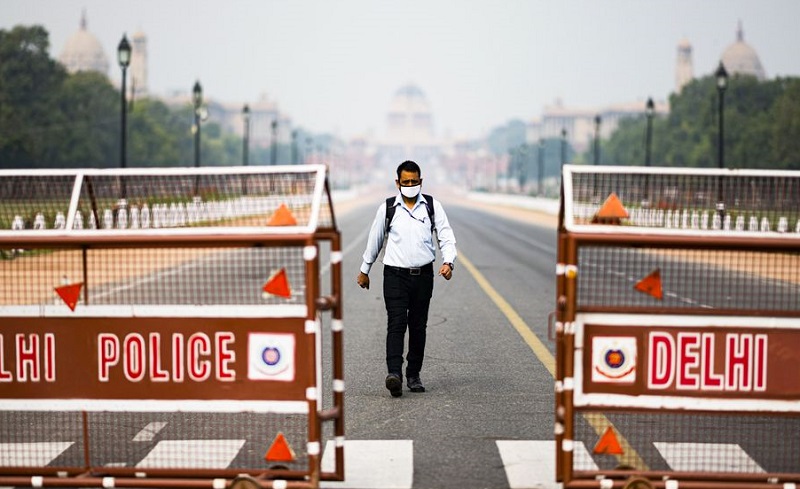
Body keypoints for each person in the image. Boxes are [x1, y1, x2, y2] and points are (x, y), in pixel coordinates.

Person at [357, 160, 457, 398]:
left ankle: (413, 375)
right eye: (405, 182)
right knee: (396, 324)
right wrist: (365, 269)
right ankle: (394, 374)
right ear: (397, 183)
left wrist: (448, 262)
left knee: (418, 326)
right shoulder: (388, 208)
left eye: (414, 182)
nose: (410, 185)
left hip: (423, 275)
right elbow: (375, 240)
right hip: (395, 276)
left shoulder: (432, 206)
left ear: (421, 182)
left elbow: (446, 236)